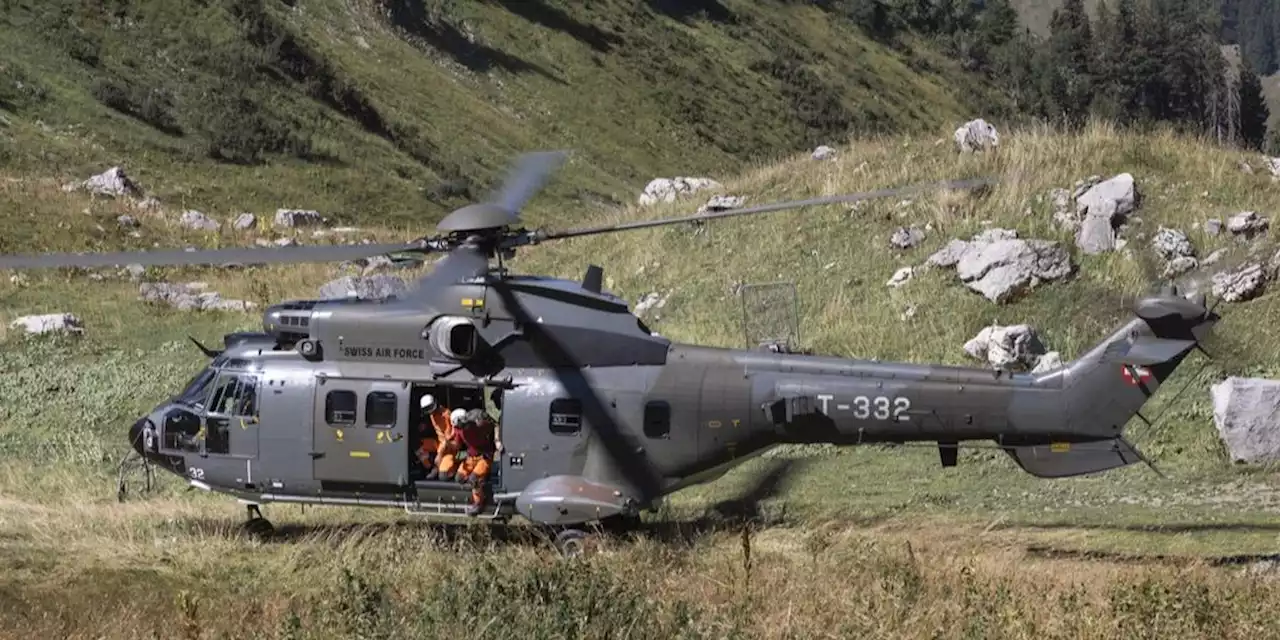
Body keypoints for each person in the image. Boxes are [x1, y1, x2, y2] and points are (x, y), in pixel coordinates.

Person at [452, 408, 501, 516]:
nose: (462, 428)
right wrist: (448, 445)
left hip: (485, 455)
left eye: (463, 425)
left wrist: (497, 440)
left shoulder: (480, 423)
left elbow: (495, 424)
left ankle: (479, 503)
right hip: (471, 457)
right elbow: (457, 445)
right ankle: (480, 483)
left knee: (474, 479)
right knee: (459, 478)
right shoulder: (458, 430)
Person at [416, 395, 460, 481]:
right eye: (426, 409)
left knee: (443, 474)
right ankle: (429, 466)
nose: (429, 411)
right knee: (417, 445)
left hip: (449, 447)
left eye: (430, 407)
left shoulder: (446, 415)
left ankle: (453, 465)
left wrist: (440, 454)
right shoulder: (432, 415)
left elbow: (450, 437)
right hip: (438, 442)